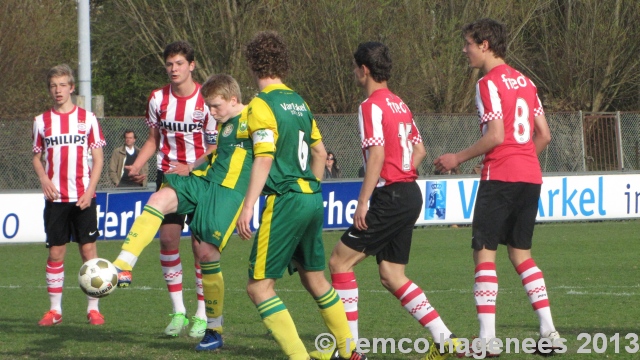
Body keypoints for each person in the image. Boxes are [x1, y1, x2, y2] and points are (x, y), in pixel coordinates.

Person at [320, 42, 461, 360]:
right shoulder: (399, 103)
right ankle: (445, 339)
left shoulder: (370, 106)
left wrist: (363, 201)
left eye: (355, 68)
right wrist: (402, 170)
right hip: (410, 193)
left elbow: (377, 155)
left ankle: (350, 351)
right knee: (392, 275)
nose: (354, 73)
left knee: (339, 262)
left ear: (364, 69)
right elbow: (420, 151)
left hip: (390, 194)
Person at [235, 31, 365, 360]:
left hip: (286, 199)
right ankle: (351, 352)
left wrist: (248, 205)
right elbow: (320, 152)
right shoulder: (299, 102)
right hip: (311, 195)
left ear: (252, 64)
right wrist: (310, 186)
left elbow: (263, 157)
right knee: (314, 279)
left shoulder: (260, 105)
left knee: (259, 287)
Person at [433, 18, 558, 357]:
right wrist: (519, 159)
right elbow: (544, 134)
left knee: (484, 254)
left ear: (485, 45)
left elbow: (496, 136)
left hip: (501, 176)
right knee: (521, 254)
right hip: (529, 176)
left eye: (469, 44)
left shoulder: (488, 83)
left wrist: (456, 157)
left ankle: (487, 341)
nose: (465, 50)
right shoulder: (526, 82)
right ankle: (548, 330)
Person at [111, 74, 249, 350]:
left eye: (215, 107)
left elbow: (269, 158)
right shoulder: (219, 122)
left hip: (223, 191)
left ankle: (210, 324)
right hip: (197, 180)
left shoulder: (256, 117)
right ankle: (123, 266)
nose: (210, 113)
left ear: (233, 100)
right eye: (208, 107)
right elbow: (213, 151)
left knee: (207, 254)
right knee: (159, 200)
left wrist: (251, 203)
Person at [112, 40, 217, 338]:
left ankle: (201, 314)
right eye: (169, 64)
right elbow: (152, 139)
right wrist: (137, 165)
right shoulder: (158, 98)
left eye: (179, 64)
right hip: (168, 176)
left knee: (201, 249)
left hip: (200, 179)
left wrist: (192, 166)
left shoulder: (206, 100)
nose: (173, 69)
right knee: (169, 241)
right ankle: (177, 311)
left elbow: (214, 146)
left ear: (191, 65)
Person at [32, 64, 107, 326]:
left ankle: (93, 309)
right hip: (56, 199)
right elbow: (36, 156)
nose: (58, 90)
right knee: (56, 254)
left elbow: (98, 159)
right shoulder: (41, 121)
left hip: (83, 197)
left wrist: (90, 191)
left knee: (88, 252)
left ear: (72, 87)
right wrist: (43, 179)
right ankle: (55, 310)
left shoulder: (88, 119)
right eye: (53, 86)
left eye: (63, 85)